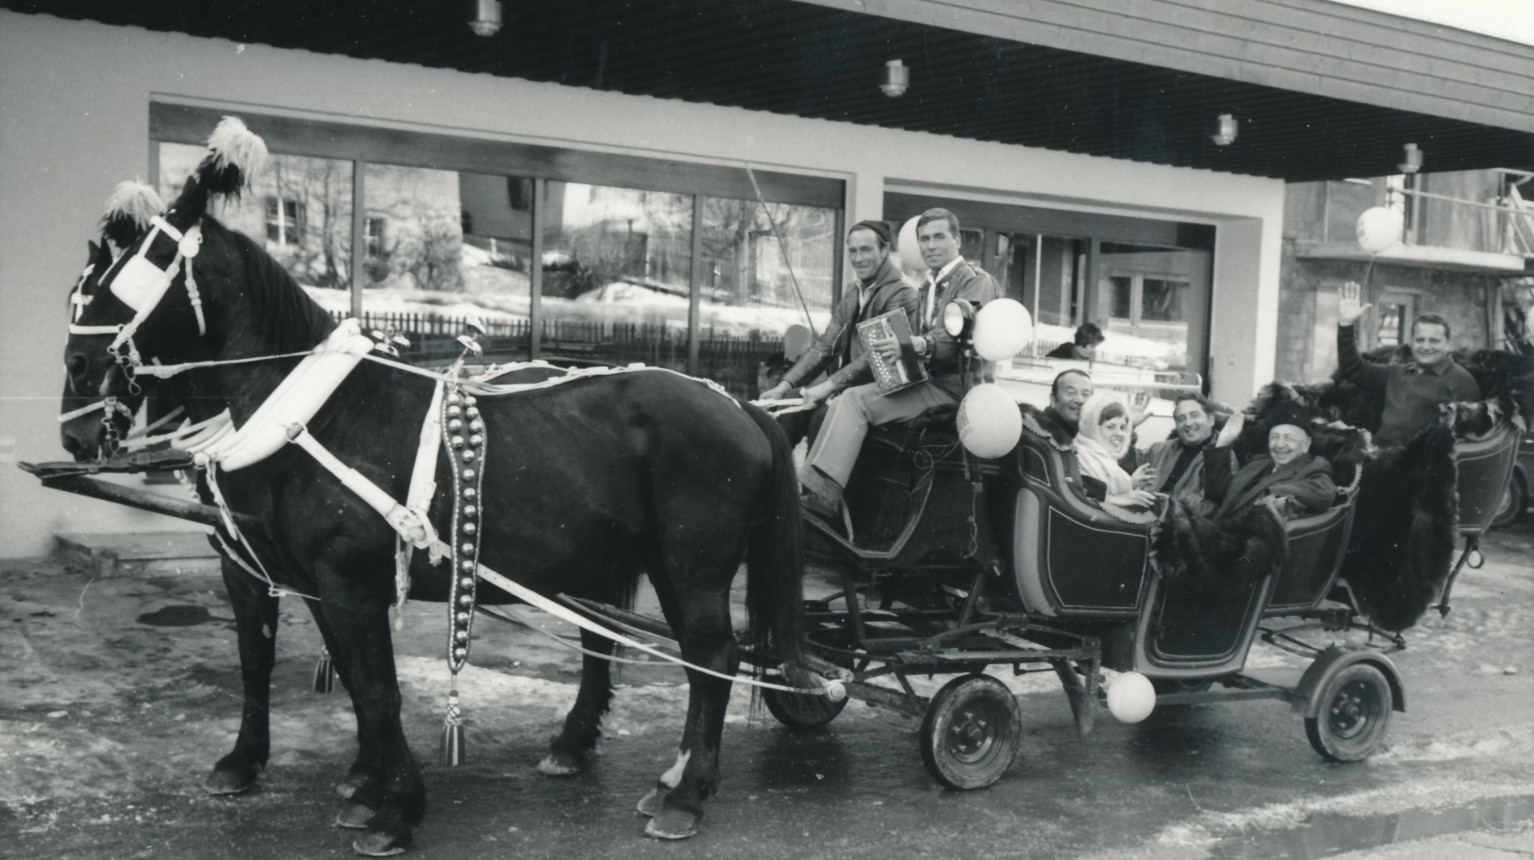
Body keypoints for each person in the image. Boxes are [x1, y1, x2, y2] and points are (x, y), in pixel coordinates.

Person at [797, 208, 999, 518]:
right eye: (924, 239)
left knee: (854, 401)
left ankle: (824, 496)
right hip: (928, 383)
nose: (930, 246)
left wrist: (917, 344)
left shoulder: (975, 281)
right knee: (844, 399)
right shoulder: (929, 287)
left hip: (956, 389)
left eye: (939, 237)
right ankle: (811, 490)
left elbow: (958, 337)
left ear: (957, 240)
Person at [760, 221, 920, 443]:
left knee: (824, 416)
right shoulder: (854, 292)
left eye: (866, 249)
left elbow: (879, 356)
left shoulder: (903, 291)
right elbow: (826, 345)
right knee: (791, 402)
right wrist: (784, 385)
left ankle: (812, 478)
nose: (858, 258)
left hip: (885, 391)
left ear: (885, 251)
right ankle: (778, 475)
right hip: (850, 387)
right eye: (853, 251)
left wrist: (828, 386)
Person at [1336, 281, 1481, 447]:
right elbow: (1352, 368)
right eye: (1420, 340)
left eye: (1434, 341)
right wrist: (1345, 324)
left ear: (1448, 344)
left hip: (1420, 465)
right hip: (1379, 455)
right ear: (1411, 342)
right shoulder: (1397, 373)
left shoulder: (1461, 381)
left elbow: (1468, 439)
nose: (1426, 346)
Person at [1200, 403, 1337, 521]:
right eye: (1274, 437)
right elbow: (1217, 495)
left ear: (1306, 444)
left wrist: (1269, 495)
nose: (1280, 445)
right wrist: (1222, 445)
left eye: (1289, 438)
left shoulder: (1313, 468)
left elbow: (1325, 493)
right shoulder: (1259, 465)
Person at [1075, 391, 1157, 508]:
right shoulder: (1080, 456)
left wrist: (1131, 483)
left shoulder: (1103, 457)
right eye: (1110, 427)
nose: (1119, 434)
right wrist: (1122, 498)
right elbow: (1086, 494)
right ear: (1093, 428)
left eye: (1123, 428)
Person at [1141, 392, 1219, 498]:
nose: (1188, 423)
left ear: (1211, 419)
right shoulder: (1159, 450)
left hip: (1182, 513)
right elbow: (1126, 465)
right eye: (1181, 418)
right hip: (1146, 511)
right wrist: (1128, 428)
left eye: (1194, 416)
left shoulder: (1221, 454)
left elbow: (1214, 504)